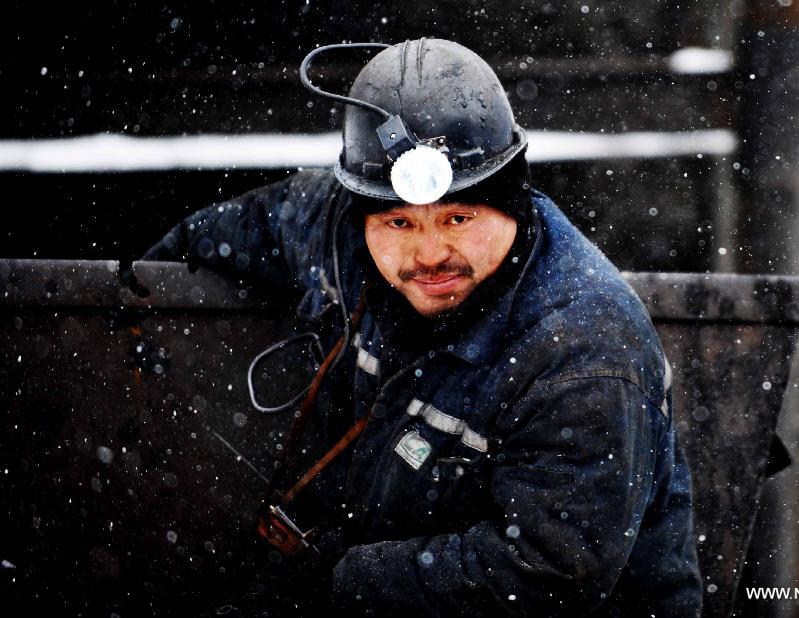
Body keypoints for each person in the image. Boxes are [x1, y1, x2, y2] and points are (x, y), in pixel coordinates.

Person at [143, 38, 703, 616]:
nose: (430, 253)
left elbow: (548, 572)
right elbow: (249, 225)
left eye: (459, 217)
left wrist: (340, 582)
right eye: (399, 222)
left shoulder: (583, 353)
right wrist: (140, 316)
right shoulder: (343, 232)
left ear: (513, 204)